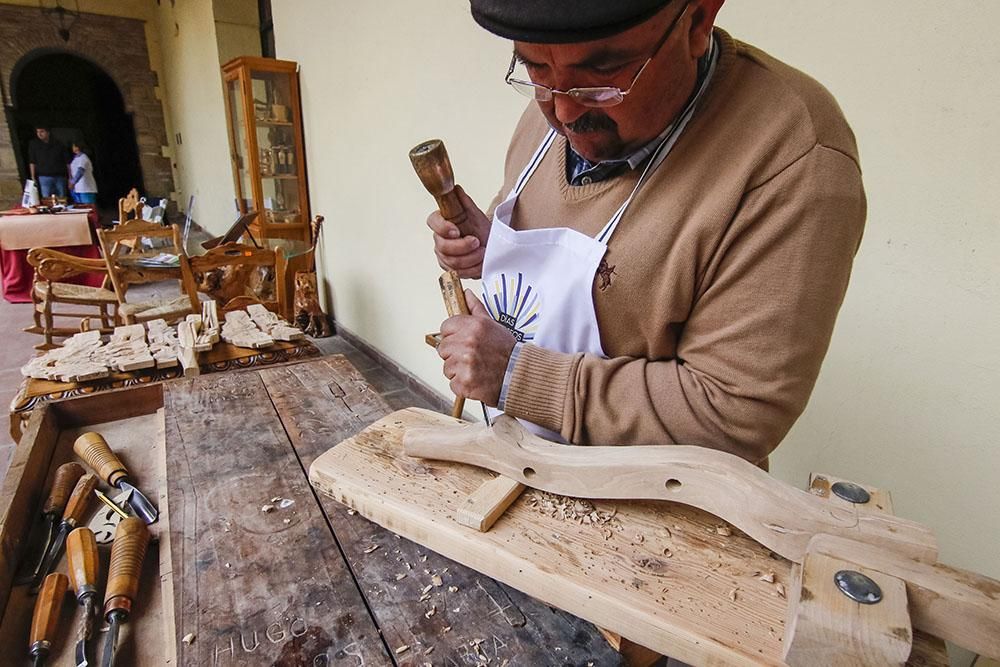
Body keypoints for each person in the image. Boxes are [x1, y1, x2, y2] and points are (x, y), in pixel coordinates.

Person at [427, 0, 866, 465]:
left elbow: (733, 414)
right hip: (520, 458)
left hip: (655, 507)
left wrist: (518, 375)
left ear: (696, 22)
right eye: (534, 70)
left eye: (600, 75)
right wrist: (492, 248)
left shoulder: (793, 157)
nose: (563, 112)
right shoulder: (558, 98)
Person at [27, 126, 70, 199]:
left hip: (59, 175)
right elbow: (32, 161)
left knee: (62, 197)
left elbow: (67, 162)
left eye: (42, 132)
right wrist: (33, 176)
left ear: (48, 132)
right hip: (44, 176)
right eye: (38, 132)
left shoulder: (58, 144)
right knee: (47, 198)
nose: (39, 134)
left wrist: (70, 177)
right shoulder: (34, 144)